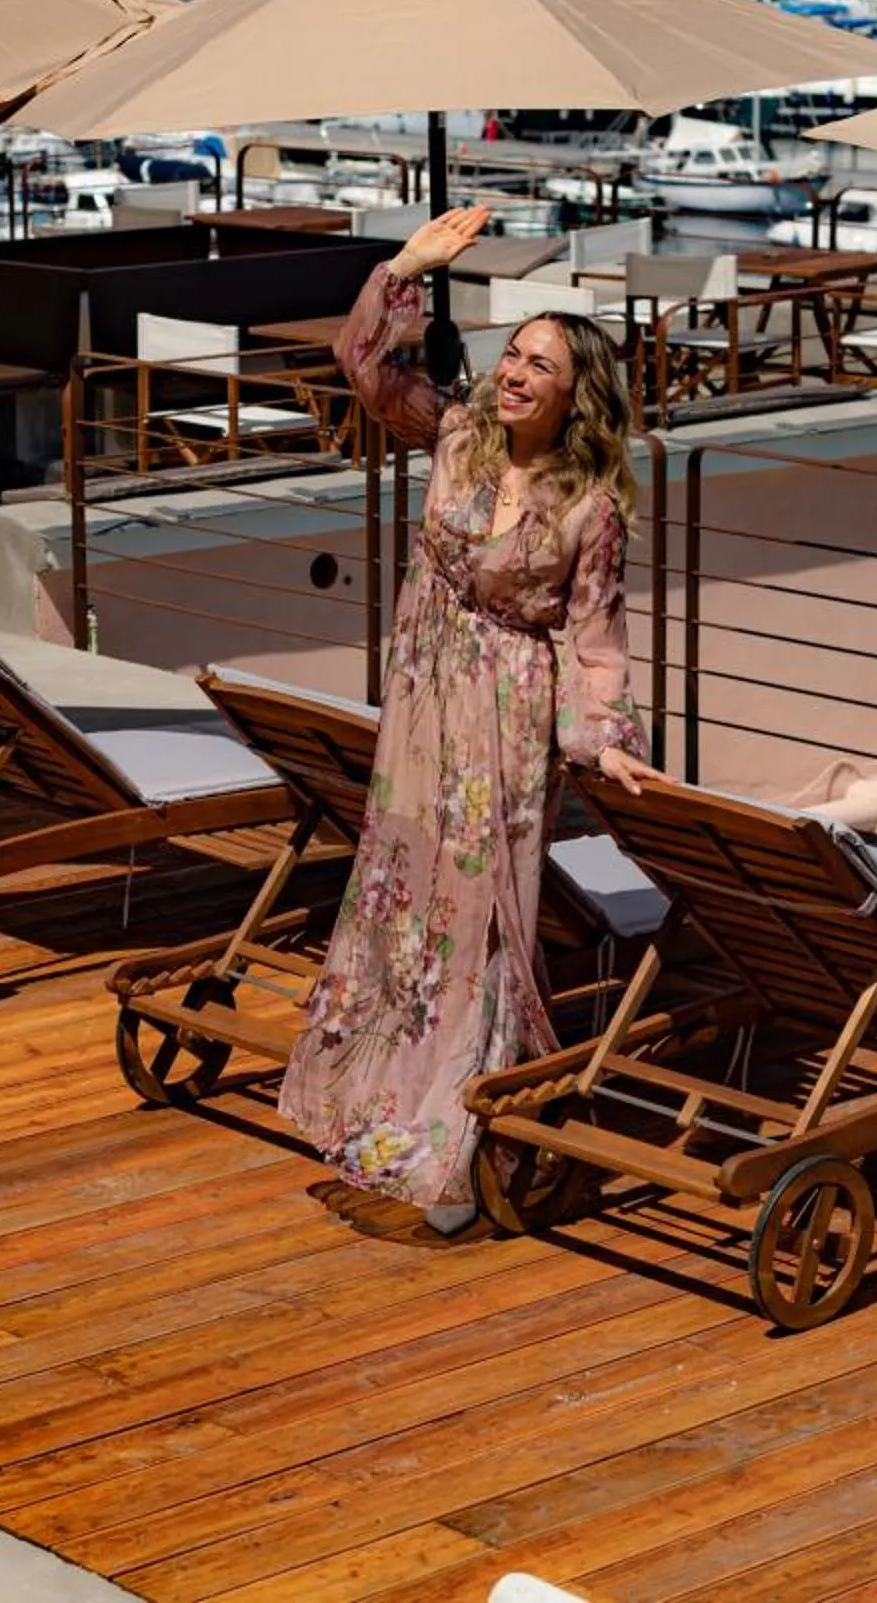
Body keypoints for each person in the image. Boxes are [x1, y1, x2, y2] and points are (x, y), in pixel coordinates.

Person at [280, 205, 661, 1234]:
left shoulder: (592, 506)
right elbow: (360, 361)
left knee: (479, 918)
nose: (514, 372)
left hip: (502, 720)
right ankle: (376, 1089)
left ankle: (459, 1126)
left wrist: (606, 742)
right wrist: (407, 264)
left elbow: (596, 640)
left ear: (577, 394)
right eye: (512, 354)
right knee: (400, 892)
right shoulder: (457, 436)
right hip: (421, 700)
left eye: (539, 364)